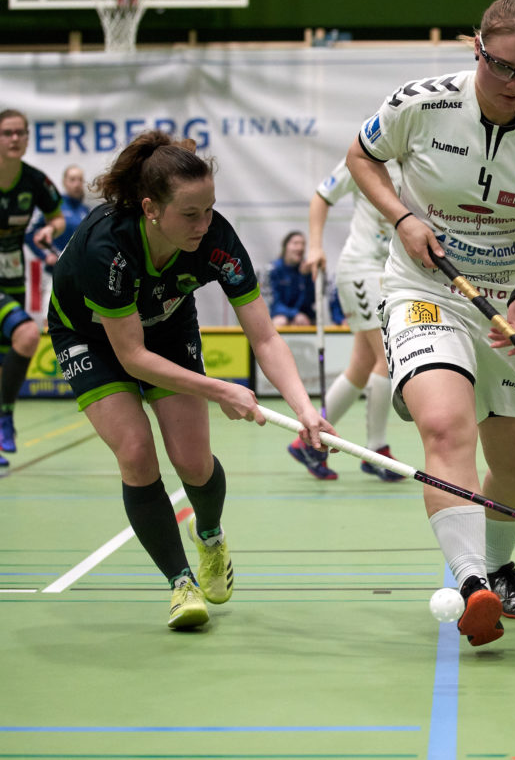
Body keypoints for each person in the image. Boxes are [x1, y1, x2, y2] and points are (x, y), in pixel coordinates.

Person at [347, 0, 515, 647]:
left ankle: (500, 567)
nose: (513, 84)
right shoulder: (420, 104)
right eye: (500, 66)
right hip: (423, 289)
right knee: (445, 425)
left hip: (505, 306)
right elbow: (361, 155)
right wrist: (402, 217)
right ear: (476, 49)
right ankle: (473, 582)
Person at [47, 130, 329, 629]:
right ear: (151, 209)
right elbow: (131, 357)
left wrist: (306, 409)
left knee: (194, 463)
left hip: (168, 326)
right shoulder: (106, 249)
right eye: (190, 214)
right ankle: (180, 583)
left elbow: (265, 337)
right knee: (136, 452)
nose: (204, 224)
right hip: (89, 336)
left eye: (210, 209)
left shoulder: (217, 240)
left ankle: (211, 535)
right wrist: (220, 388)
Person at [287, 157, 403, 482]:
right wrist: (315, 247)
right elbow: (321, 197)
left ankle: (306, 442)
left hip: (391, 272)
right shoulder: (366, 155)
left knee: (362, 365)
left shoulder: (419, 159)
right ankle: (376, 451)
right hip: (362, 269)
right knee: (387, 358)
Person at [0, 108, 65, 462]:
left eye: (20, 133)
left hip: (12, 276)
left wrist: (48, 230)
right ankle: (6, 417)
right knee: (27, 334)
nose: (14, 139)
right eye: (7, 133)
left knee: (6, 357)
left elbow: (57, 217)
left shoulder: (35, 180)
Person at [27, 164, 93, 317]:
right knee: (50, 316)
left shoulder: (87, 211)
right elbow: (29, 233)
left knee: (77, 318)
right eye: (72, 179)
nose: (77, 184)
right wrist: (45, 255)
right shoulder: (55, 208)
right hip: (54, 273)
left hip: (79, 276)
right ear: (64, 182)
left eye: (80, 180)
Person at [267, 230, 314, 327]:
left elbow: (310, 302)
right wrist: (294, 314)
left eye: (303, 244)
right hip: (280, 315)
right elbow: (274, 303)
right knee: (281, 321)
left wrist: (306, 277)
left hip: (303, 318)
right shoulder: (274, 269)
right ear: (285, 246)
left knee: (303, 322)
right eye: (295, 243)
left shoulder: (307, 270)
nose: (300, 248)